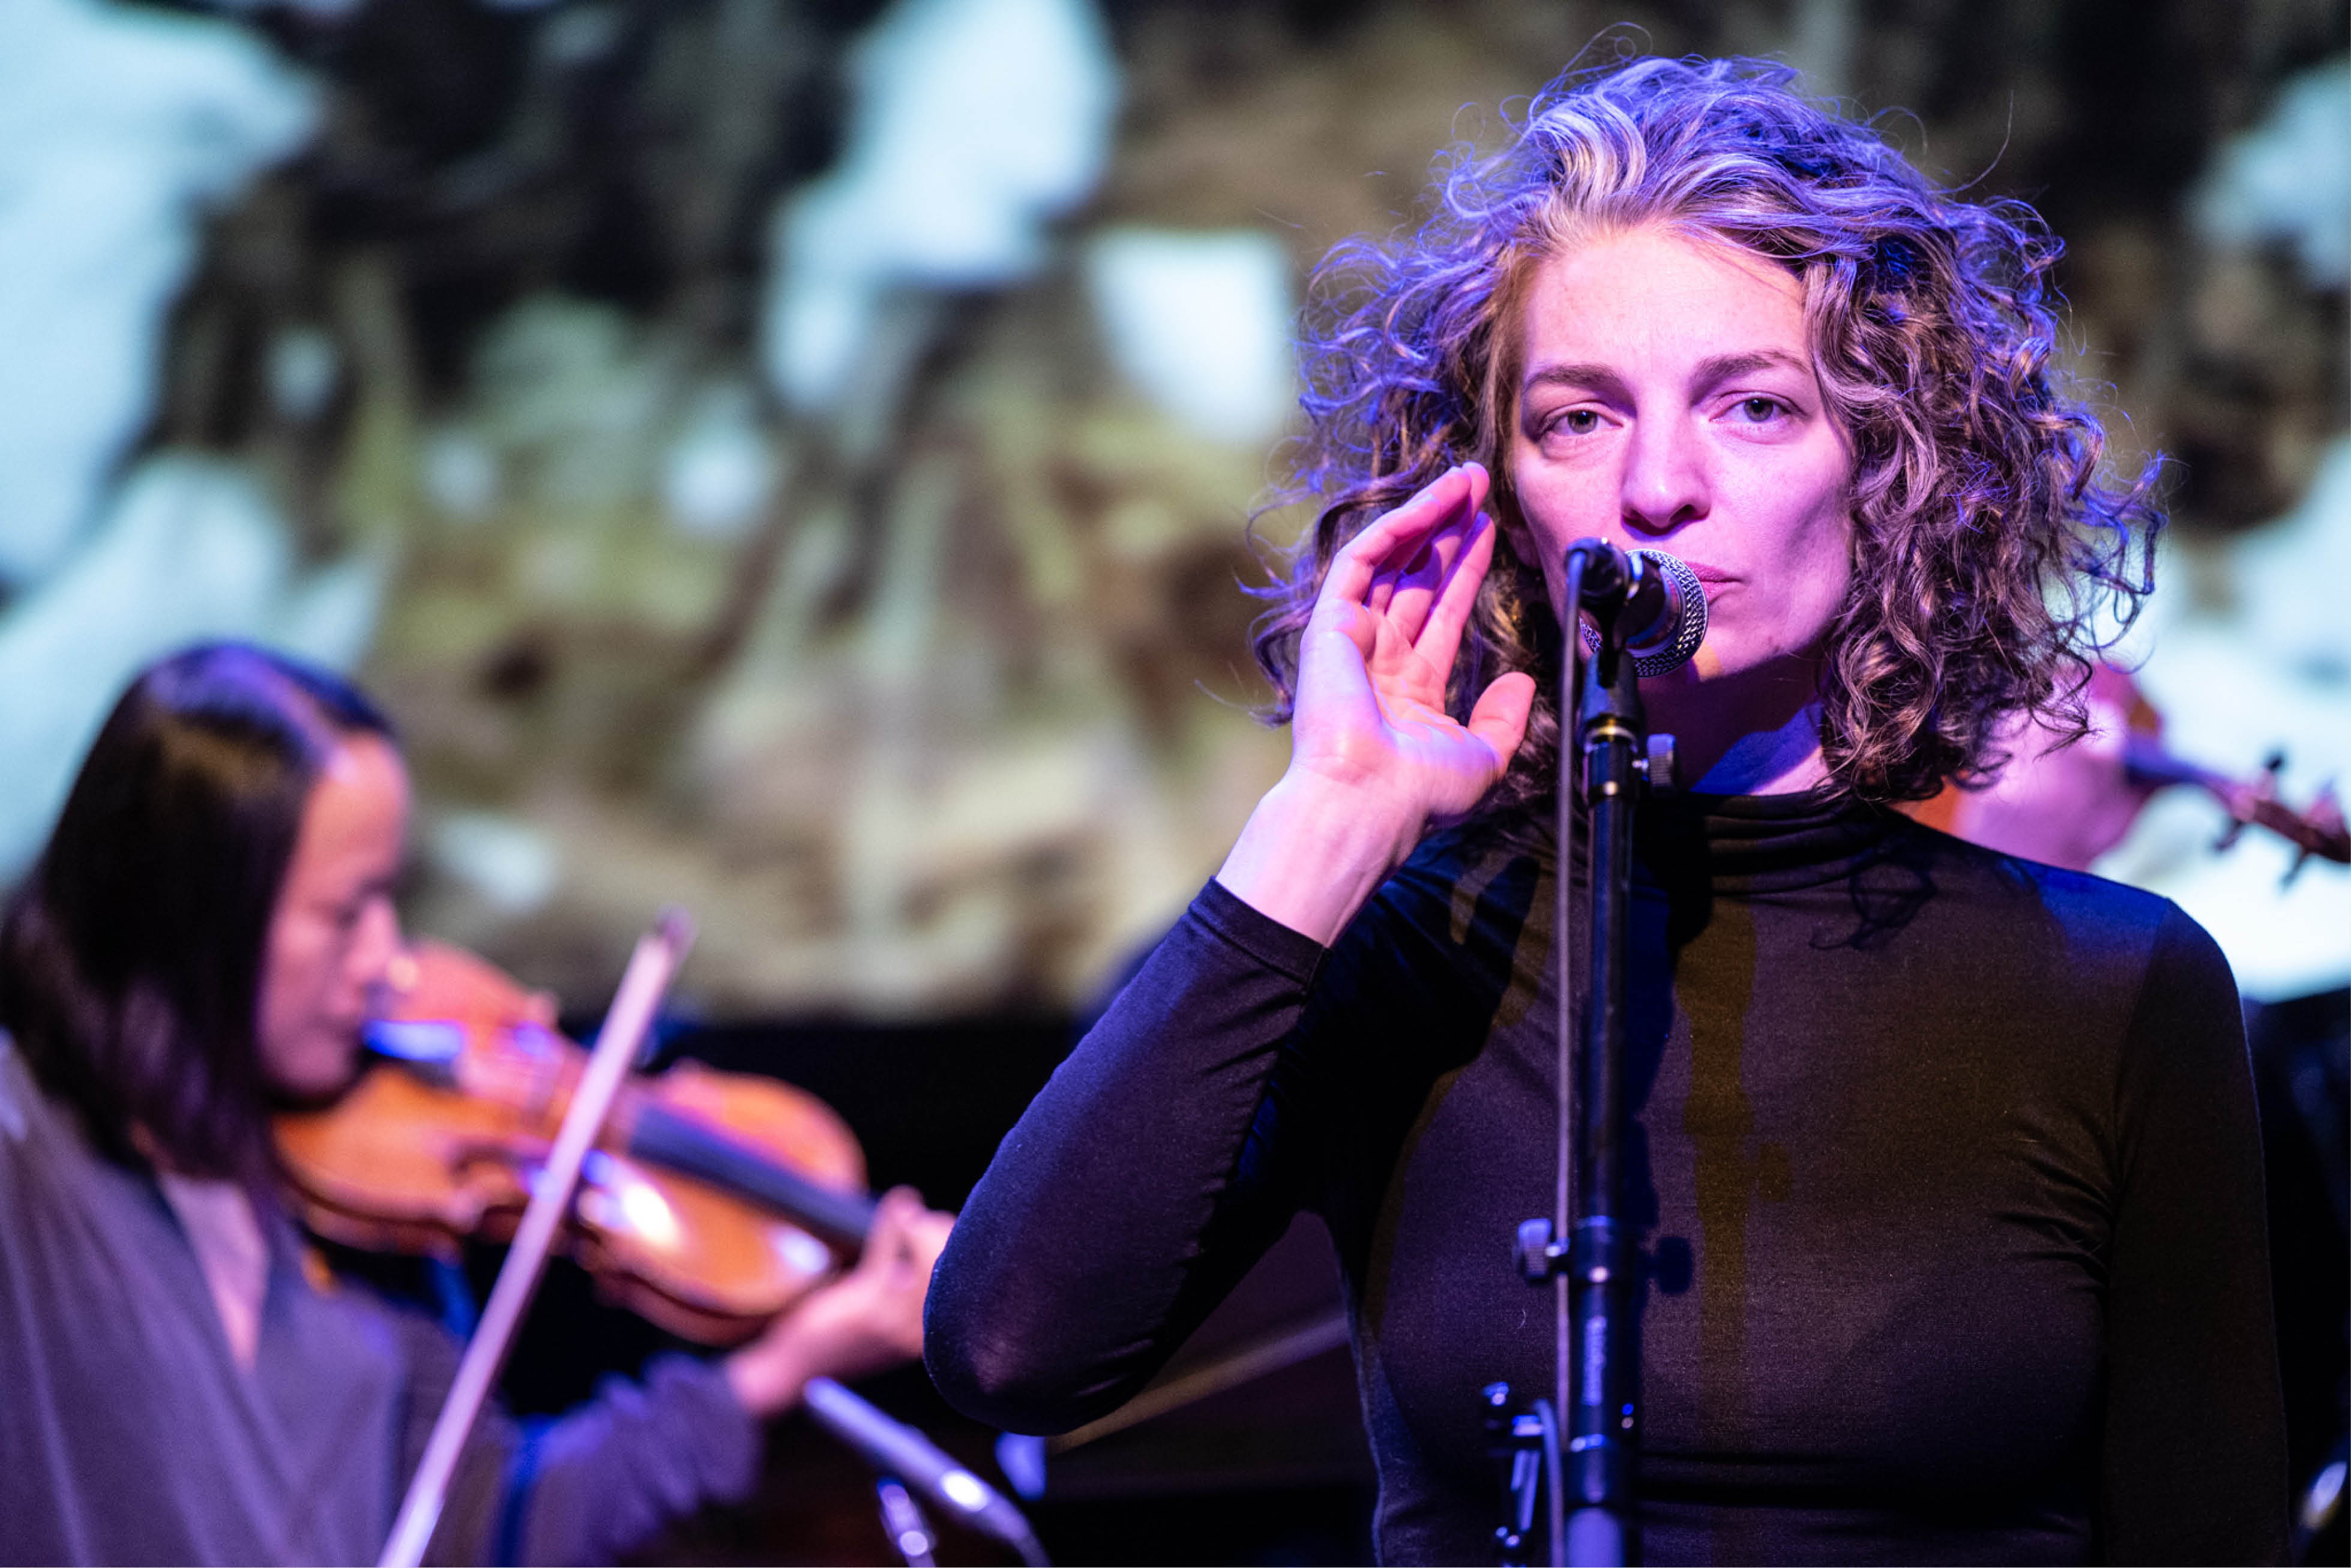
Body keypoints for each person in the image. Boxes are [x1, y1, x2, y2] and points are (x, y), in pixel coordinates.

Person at [923, 53, 2289, 1564]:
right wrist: (1327, 818)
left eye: (1755, 407)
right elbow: (1012, 1351)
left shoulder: (2108, 986)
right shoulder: (1411, 952)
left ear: (1887, 470)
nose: (1658, 487)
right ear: (1493, 489)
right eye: (1578, 418)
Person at [0, 641, 954, 1566]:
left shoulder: (373, 1232)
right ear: (188, 913)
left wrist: (779, 1368)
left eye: (393, 901)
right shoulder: (28, 1160)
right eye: (345, 912)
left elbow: (479, 1532)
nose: (387, 960)